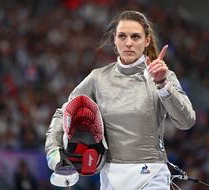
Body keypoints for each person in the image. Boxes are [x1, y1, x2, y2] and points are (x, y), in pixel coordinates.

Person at [45, 10, 196, 190]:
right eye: (122, 36)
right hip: (110, 177)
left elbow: (186, 121)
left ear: (146, 41)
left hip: (152, 175)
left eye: (135, 37)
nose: (129, 43)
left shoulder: (161, 75)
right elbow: (65, 113)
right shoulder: (98, 78)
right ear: (115, 41)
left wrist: (162, 84)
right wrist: (54, 151)